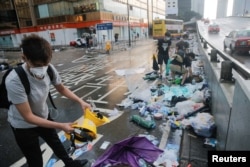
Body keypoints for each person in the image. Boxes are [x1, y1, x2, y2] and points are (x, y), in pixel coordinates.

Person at [5, 34, 91, 167]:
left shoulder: (49, 68)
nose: (43, 68)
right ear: (24, 58)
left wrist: (81, 101)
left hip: (43, 115)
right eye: (38, 65)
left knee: (57, 144)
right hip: (23, 126)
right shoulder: (14, 80)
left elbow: (61, 89)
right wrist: (61, 125)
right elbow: (28, 117)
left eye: (46, 63)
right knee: (35, 160)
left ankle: (71, 164)